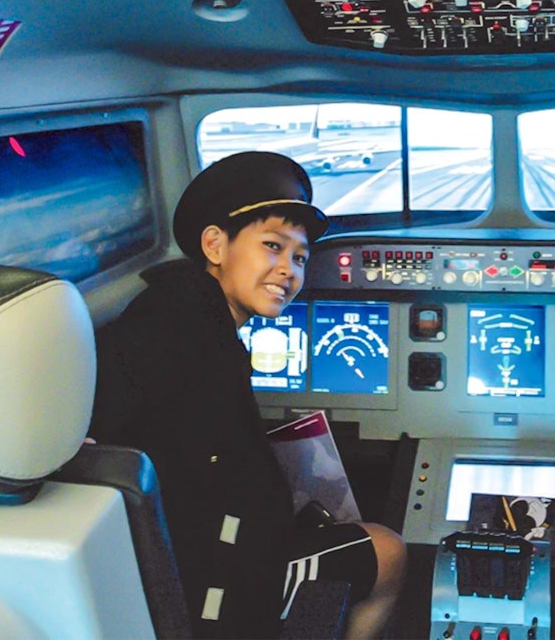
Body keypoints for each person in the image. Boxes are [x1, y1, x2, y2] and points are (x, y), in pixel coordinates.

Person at [89, 151, 406, 639]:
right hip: (204, 585)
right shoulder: (181, 327)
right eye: (273, 246)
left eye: (299, 258)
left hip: (188, 551)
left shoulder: (184, 310)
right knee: (388, 551)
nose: (289, 270)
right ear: (215, 244)